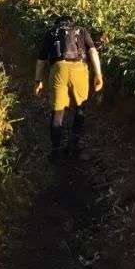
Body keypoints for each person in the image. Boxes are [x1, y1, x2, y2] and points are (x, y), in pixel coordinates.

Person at [33, 15, 104, 160]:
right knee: (80, 108)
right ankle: (73, 146)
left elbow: (41, 59)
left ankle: (56, 152)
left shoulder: (51, 32)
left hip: (59, 68)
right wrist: (98, 74)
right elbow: (93, 51)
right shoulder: (81, 30)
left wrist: (38, 80)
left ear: (58, 23)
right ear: (72, 22)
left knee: (58, 110)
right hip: (80, 68)